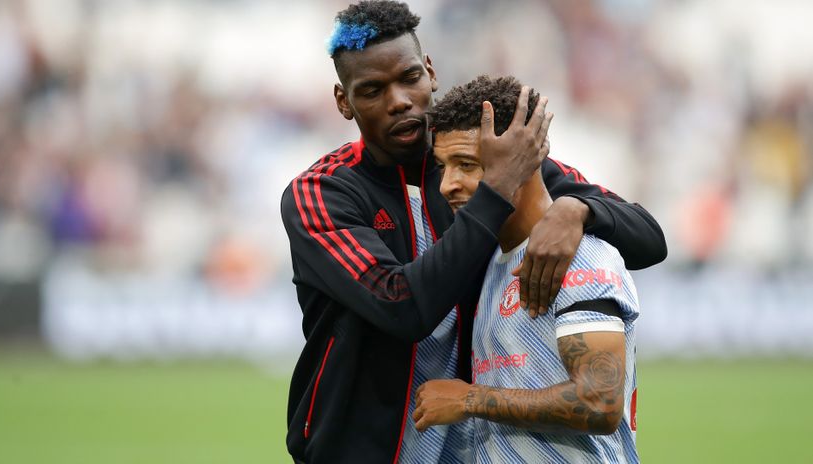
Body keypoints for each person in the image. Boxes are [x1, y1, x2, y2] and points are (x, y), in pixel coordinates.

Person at [280, 1, 664, 462]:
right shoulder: (321, 193)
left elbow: (648, 238)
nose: (399, 100)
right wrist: (498, 185)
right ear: (344, 101)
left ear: (430, 72)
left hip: (469, 449)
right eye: (372, 90)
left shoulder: (480, 160)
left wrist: (576, 209)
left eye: (408, 78)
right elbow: (404, 308)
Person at [413, 75, 641, 463]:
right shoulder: (490, 261)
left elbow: (599, 402)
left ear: (523, 161)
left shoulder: (580, 257)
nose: (447, 184)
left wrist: (469, 399)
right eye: (442, 167)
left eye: (467, 165)